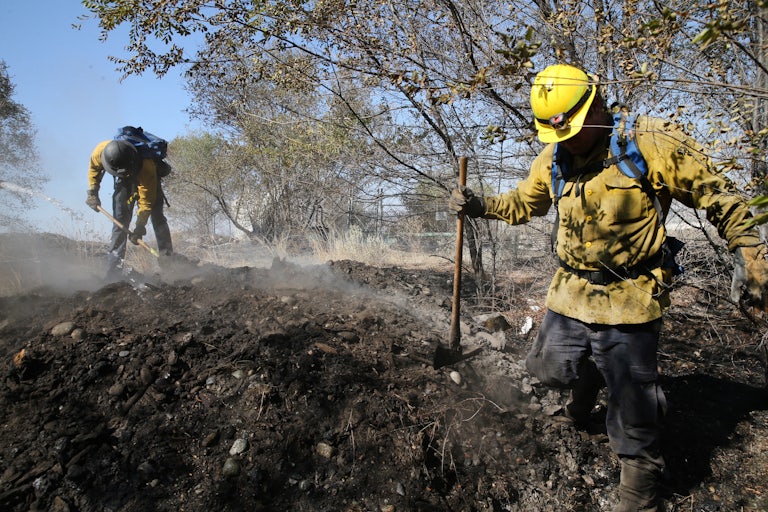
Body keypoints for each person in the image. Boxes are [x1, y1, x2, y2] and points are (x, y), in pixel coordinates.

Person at [449, 63, 768, 511]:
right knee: (547, 370)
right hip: (572, 292)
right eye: (559, 134)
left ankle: (638, 494)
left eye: (576, 129)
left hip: (630, 298)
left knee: (635, 414)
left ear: (597, 100)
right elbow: (525, 202)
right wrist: (481, 204)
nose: (570, 140)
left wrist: (750, 255)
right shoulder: (555, 155)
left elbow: (719, 194)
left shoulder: (649, 142)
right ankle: (586, 392)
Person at [85, 130, 174, 282]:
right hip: (123, 179)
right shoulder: (102, 151)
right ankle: (114, 270)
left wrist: (140, 227)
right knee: (119, 220)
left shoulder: (147, 167)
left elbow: (146, 201)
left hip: (145, 176)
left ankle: (168, 262)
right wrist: (93, 192)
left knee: (157, 217)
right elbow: (94, 169)